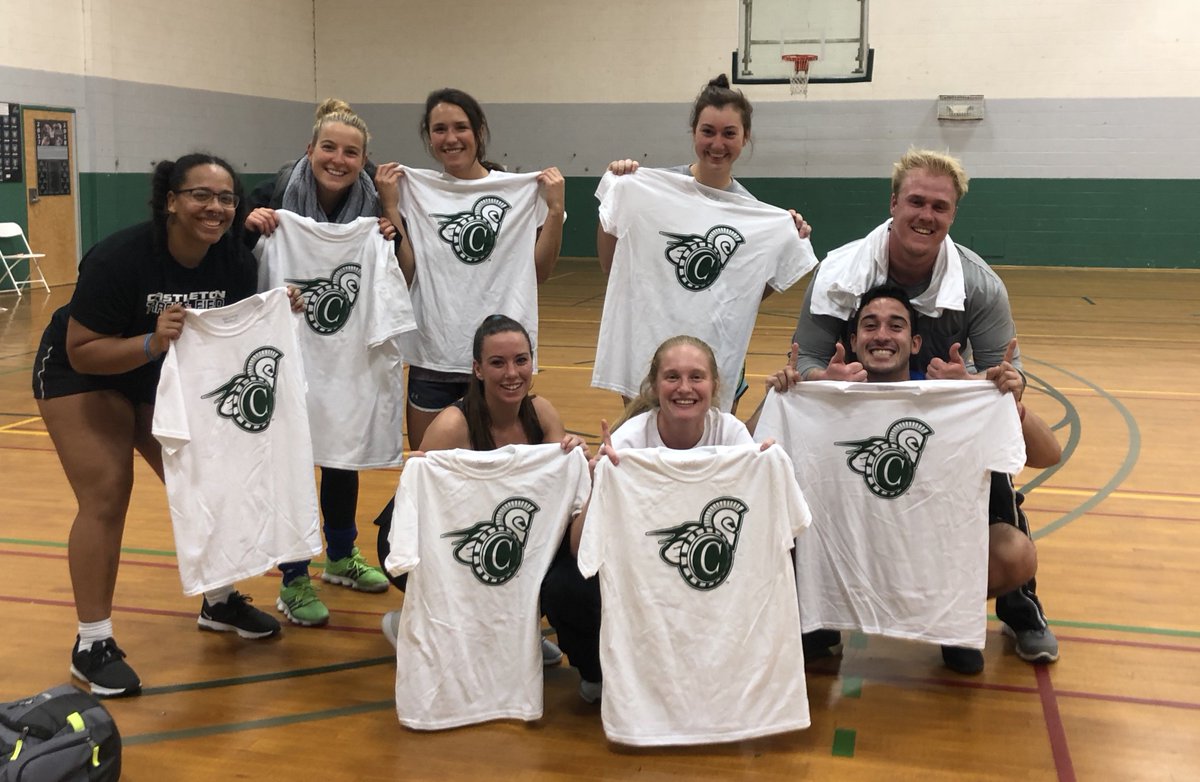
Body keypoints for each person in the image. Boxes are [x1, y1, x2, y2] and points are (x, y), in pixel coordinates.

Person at [788, 148, 1058, 666]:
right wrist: (826, 378)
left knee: (993, 481)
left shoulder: (980, 286)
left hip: (943, 418)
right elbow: (805, 363)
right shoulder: (839, 272)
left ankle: (1003, 608)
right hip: (860, 410)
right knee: (808, 497)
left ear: (953, 214)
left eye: (940, 206)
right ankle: (820, 615)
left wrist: (973, 387)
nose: (926, 215)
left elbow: (1008, 378)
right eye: (915, 201)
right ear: (893, 203)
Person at [32, 153, 280, 697]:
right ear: (171, 200)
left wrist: (282, 311)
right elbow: (83, 349)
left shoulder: (233, 260)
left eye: (226, 198)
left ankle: (219, 601)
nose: (215, 208)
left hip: (161, 374)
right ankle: (92, 643)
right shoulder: (119, 258)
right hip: (84, 370)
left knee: (204, 481)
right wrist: (150, 342)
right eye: (200, 195)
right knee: (107, 491)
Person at [762, 284, 1059, 673]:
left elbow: (1049, 455)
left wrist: (1004, 401)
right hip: (849, 545)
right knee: (771, 535)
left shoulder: (947, 397)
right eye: (870, 325)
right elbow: (750, 450)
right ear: (853, 341)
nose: (882, 335)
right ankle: (820, 618)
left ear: (915, 342)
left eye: (896, 326)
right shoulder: (825, 397)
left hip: (927, 551)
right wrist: (779, 397)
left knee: (1014, 553)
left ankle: (951, 620)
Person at [542, 335, 772, 703]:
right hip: (641, 567)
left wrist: (767, 472)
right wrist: (599, 485)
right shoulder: (629, 440)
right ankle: (597, 672)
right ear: (654, 384)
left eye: (696, 377)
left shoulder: (730, 433)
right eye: (672, 377)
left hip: (705, 566)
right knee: (565, 586)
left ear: (714, 386)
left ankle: (734, 667)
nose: (684, 388)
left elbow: (760, 526)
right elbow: (578, 546)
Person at [243, 99, 403, 627]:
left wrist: (390, 234)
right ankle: (292, 577)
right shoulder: (273, 200)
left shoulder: (373, 211)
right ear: (309, 149)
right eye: (328, 148)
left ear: (363, 159)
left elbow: (400, 278)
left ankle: (339, 555)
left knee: (341, 455)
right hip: (284, 354)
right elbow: (237, 266)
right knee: (290, 463)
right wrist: (249, 227)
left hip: (344, 360)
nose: (338, 159)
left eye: (350, 152)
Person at [594, 74, 815, 412]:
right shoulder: (650, 186)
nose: (717, 144)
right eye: (708, 131)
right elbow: (610, 265)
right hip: (649, 347)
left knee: (714, 439)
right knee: (644, 436)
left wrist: (789, 233)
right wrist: (620, 187)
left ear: (745, 138)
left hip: (717, 351)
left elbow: (751, 292)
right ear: (694, 132)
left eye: (729, 133)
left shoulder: (754, 213)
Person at [377, 315, 586, 667]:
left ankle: (516, 631)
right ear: (477, 369)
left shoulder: (542, 413)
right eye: (497, 363)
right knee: (483, 554)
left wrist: (574, 458)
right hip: (433, 533)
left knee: (538, 546)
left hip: (497, 530)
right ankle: (416, 623)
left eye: (521, 360)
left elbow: (558, 500)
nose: (511, 373)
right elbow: (417, 508)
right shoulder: (452, 426)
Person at [374, 88, 566, 451]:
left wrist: (555, 211)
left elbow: (540, 272)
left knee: (498, 472)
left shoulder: (519, 190)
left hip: (500, 361)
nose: (450, 138)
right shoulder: (414, 190)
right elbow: (407, 271)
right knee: (431, 469)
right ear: (428, 137)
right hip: (434, 355)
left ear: (479, 131)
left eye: (460, 127)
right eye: (439, 129)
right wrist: (391, 207)